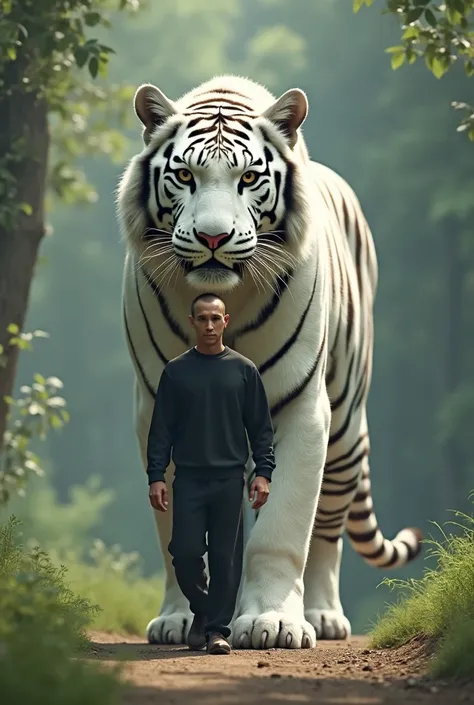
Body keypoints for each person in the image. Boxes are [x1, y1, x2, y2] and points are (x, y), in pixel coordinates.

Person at [146, 292, 275, 655]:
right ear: (192, 322)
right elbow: (161, 432)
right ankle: (203, 610)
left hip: (230, 480)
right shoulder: (175, 372)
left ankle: (217, 631)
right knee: (184, 553)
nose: (209, 325)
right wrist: (156, 476)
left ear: (226, 321)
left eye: (215, 318)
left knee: (225, 559)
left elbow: (261, 430)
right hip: (187, 479)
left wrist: (262, 473)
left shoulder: (244, 371)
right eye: (202, 318)